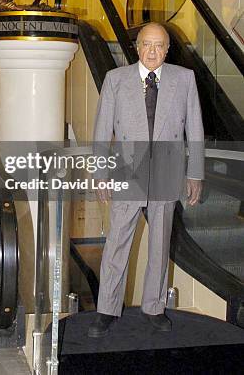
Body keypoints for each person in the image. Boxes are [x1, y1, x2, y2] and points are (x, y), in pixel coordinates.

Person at [88, 22, 204, 338]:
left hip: (167, 171)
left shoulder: (185, 79)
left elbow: (194, 127)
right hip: (127, 170)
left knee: (159, 244)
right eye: (147, 45)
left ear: (168, 49)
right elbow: (102, 132)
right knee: (117, 243)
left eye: (159, 45)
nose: (152, 51)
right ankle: (106, 310)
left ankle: (154, 308)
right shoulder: (116, 80)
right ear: (137, 47)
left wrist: (195, 173)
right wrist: (100, 172)